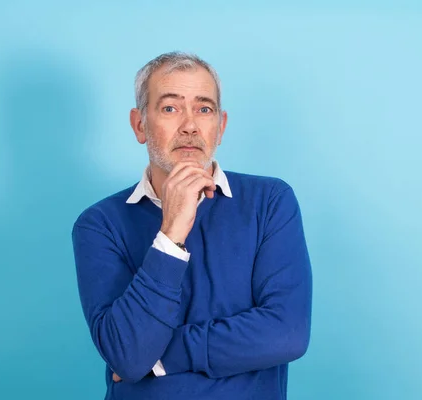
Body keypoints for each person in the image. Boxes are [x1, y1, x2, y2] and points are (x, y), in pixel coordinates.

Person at [71, 51, 313, 400]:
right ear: (140, 125)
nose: (190, 125)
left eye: (204, 109)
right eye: (170, 108)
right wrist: (170, 236)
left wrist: (166, 356)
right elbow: (128, 355)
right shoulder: (99, 225)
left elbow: (287, 332)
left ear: (221, 126)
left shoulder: (269, 201)